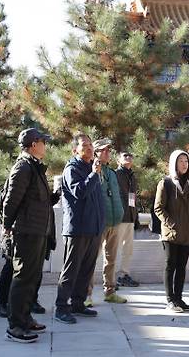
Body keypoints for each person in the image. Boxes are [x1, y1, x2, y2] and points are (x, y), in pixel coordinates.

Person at [2, 128, 58, 343]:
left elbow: (35, 201)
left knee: (31, 277)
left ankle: (25, 318)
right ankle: (15, 325)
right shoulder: (23, 167)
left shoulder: (35, 167)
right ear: (34, 144)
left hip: (37, 231)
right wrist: (8, 226)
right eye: (44, 141)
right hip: (26, 231)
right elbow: (11, 200)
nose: (46, 145)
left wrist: (54, 197)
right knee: (23, 277)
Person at [55, 133, 105, 324]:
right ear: (75, 149)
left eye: (91, 145)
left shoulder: (92, 168)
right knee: (71, 269)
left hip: (94, 228)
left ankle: (78, 303)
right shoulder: (72, 168)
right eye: (84, 145)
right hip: (77, 228)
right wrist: (93, 174)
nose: (90, 148)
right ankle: (61, 307)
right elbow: (80, 192)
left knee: (86, 269)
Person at [154, 150, 189, 312]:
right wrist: (170, 223)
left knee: (182, 266)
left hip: (187, 232)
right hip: (170, 232)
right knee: (170, 265)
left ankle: (179, 298)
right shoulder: (165, 183)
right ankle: (170, 299)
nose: (184, 164)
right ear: (174, 163)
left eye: (186, 161)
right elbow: (158, 208)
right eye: (180, 161)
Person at [87, 138, 128, 304]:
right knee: (91, 259)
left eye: (108, 150)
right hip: (99, 222)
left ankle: (109, 291)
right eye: (103, 150)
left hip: (115, 221)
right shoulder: (92, 170)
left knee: (111, 259)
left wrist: (121, 214)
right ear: (95, 152)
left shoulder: (111, 172)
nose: (107, 152)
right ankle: (86, 295)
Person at [115, 151, 140, 288]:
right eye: (125, 155)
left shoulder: (132, 176)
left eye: (131, 155)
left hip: (129, 217)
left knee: (127, 249)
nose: (128, 157)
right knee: (113, 249)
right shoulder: (116, 174)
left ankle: (124, 275)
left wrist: (135, 216)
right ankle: (110, 279)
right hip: (118, 217)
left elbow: (132, 197)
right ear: (118, 160)